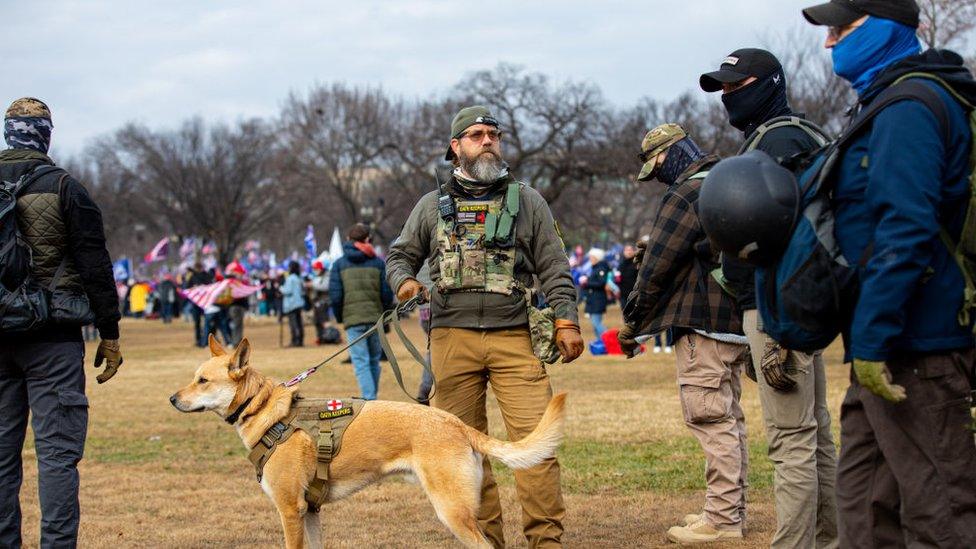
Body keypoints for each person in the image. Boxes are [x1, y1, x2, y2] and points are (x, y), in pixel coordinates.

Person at [801, 1, 976, 546]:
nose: (829, 42)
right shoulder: (880, 105)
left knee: (939, 506)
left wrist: (875, 338)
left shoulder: (911, 106)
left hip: (919, 345)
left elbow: (906, 229)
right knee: (866, 501)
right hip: (887, 343)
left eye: (840, 27)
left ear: (885, 28)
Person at [387, 105, 584, 548]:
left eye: (493, 133)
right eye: (476, 135)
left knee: (536, 446)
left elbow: (554, 265)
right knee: (460, 451)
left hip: (515, 336)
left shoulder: (528, 200)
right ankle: (486, 542)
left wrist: (566, 320)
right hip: (451, 338)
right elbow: (399, 256)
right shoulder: (430, 205)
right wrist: (404, 283)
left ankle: (545, 542)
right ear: (456, 147)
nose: (488, 140)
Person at [700, 48, 838, 548]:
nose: (730, 97)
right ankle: (831, 539)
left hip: (780, 304)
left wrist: (772, 326)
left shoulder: (779, 142)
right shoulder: (802, 133)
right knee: (815, 432)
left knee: (791, 440)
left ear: (770, 83)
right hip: (799, 300)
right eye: (724, 89)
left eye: (738, 85)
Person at [617, 123, 750, 544]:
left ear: (671, 154)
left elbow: (656, 268)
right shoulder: (729, 176)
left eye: (657, 169)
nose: (659, 180)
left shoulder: (685, 193)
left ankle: (724, 520)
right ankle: (726, 507)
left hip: (703, 324)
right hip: (737, 323)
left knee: (711, 419)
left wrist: (633, 321)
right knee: (729, 419)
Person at [0, 97, 123, 548]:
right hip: (53, 339)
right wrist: (109, 334)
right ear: (46, 135)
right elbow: (95, 267)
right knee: (56, 457)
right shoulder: (66, 187)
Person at [329, 223, 393, 400]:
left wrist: (341, 317)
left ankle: (369, 399)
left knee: (361, 362)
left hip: (353, 320)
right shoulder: (379, 263)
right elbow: (387, 294)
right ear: (367, 240)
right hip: (375, 318)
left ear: (348, 240)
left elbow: (335, 296)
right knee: (373, 360)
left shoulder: (339, 265)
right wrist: (386, 316)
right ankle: (371, 398)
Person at [581, 248, 610, 339]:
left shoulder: (601, 269)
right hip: (593, 299)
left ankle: (609, 338)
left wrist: (587, 283)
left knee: (596, 322)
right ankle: (600, 342)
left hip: (598, 299)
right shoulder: (594, 268)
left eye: (592, 257)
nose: (590, 259)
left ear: (597, 258)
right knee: (595, 324)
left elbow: (602, 283)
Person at [281, 261, 305, 347]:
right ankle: (300, 340)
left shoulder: (290, 278)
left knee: (293, 323)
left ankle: (295, 341)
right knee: (299, 323)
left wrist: (280, 288)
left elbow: (288, 290)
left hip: (291, 304)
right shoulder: (299, 278)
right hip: (299, 303)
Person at [225, 261, 249, 346]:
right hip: (235, 306)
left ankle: (237, 341)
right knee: (236, 325)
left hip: (238, 306)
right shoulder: (232, 282)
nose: (241, 275)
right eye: (240, 273)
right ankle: (235, 342)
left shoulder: (239, 282)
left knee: (238, 325)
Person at [309, 259, 332, 344]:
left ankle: (330, 336)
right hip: (317, 302)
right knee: (317, 321)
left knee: (324, 320)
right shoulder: (316, 277)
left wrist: (312, 284)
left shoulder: (327, 276)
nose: (315, 271)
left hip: (324, 302)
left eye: (316, 269)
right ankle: (321, 337)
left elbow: (325, 286)